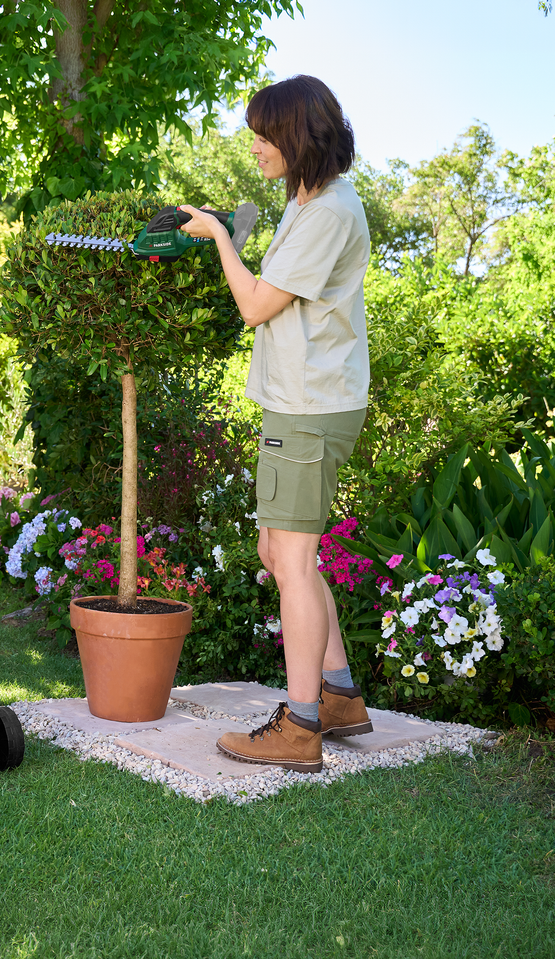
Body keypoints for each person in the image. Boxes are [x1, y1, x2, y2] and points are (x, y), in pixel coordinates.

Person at [179, 75, 372, 773]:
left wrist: (220, 242)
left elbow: (258, 304)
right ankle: (340, 694)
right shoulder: (309, 198)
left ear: (299, 136)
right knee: (278, 552)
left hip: (310, 406)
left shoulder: (326, 213)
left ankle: (300, 726)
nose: (255, 144)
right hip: (303, 399)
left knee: (290, 561)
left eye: (265, 133)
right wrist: (231, 230)